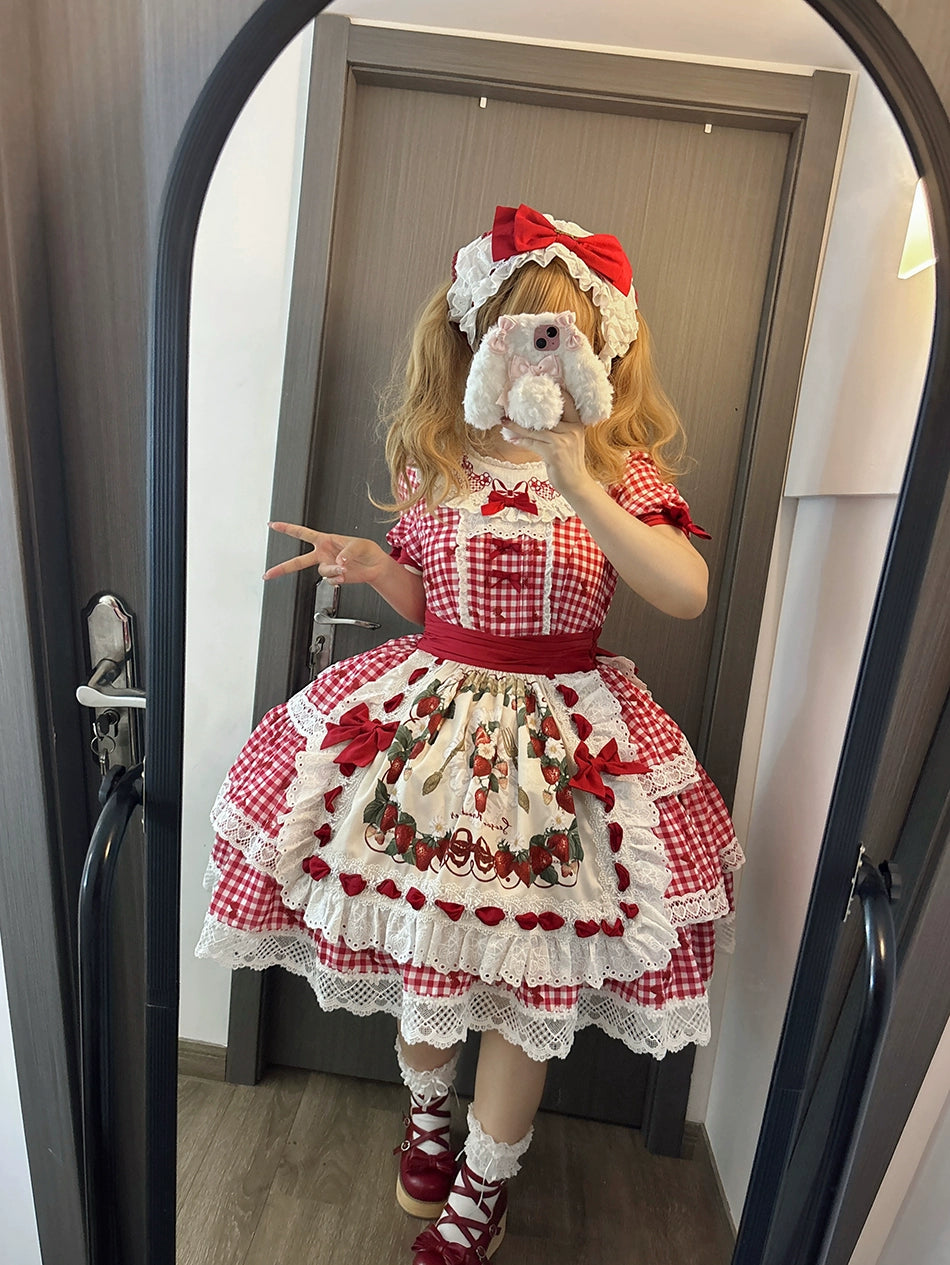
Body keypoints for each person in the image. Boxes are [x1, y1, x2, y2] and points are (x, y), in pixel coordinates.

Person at [197, 204, 744, 1265]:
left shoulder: (620, 466)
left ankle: (482, 1188)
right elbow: (432, 600)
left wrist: (576, 475)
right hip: (429, 738)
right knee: (429, 957)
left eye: (559, 331)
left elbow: (683, 592)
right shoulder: (436, 456)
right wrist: (376, 567)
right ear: (476, 334)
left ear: (599, 348)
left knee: (522, 980)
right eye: (517, 328)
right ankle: (428, 1122)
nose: (537, 350)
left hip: (559, 750)